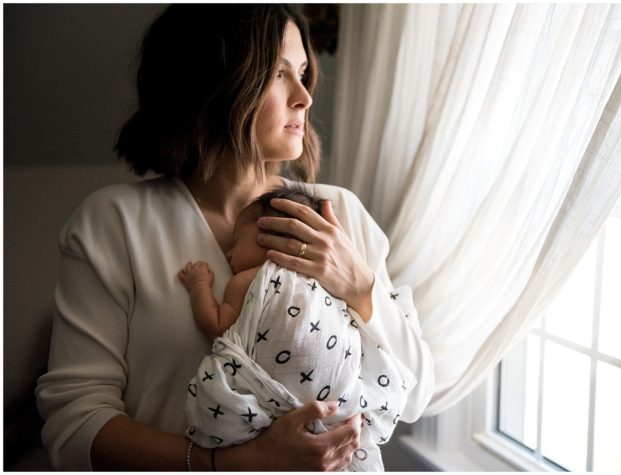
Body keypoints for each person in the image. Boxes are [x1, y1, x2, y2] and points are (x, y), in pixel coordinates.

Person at [35, 5, 434, 470]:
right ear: (214, 82)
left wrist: (359, 286)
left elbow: (416, 394)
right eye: (279, 74)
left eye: (303, 73)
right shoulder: (114, 223)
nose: (304, 97)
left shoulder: (340, 214)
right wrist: (231, 461)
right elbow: (73, 423)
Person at [178, 185, 415, 472]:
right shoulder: (326, 280)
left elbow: (216, 326)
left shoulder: (249, 281)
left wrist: (199, 286)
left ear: (270, 235)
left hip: (271, 402)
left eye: (237, 240)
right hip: (338, 406)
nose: (229, 253)